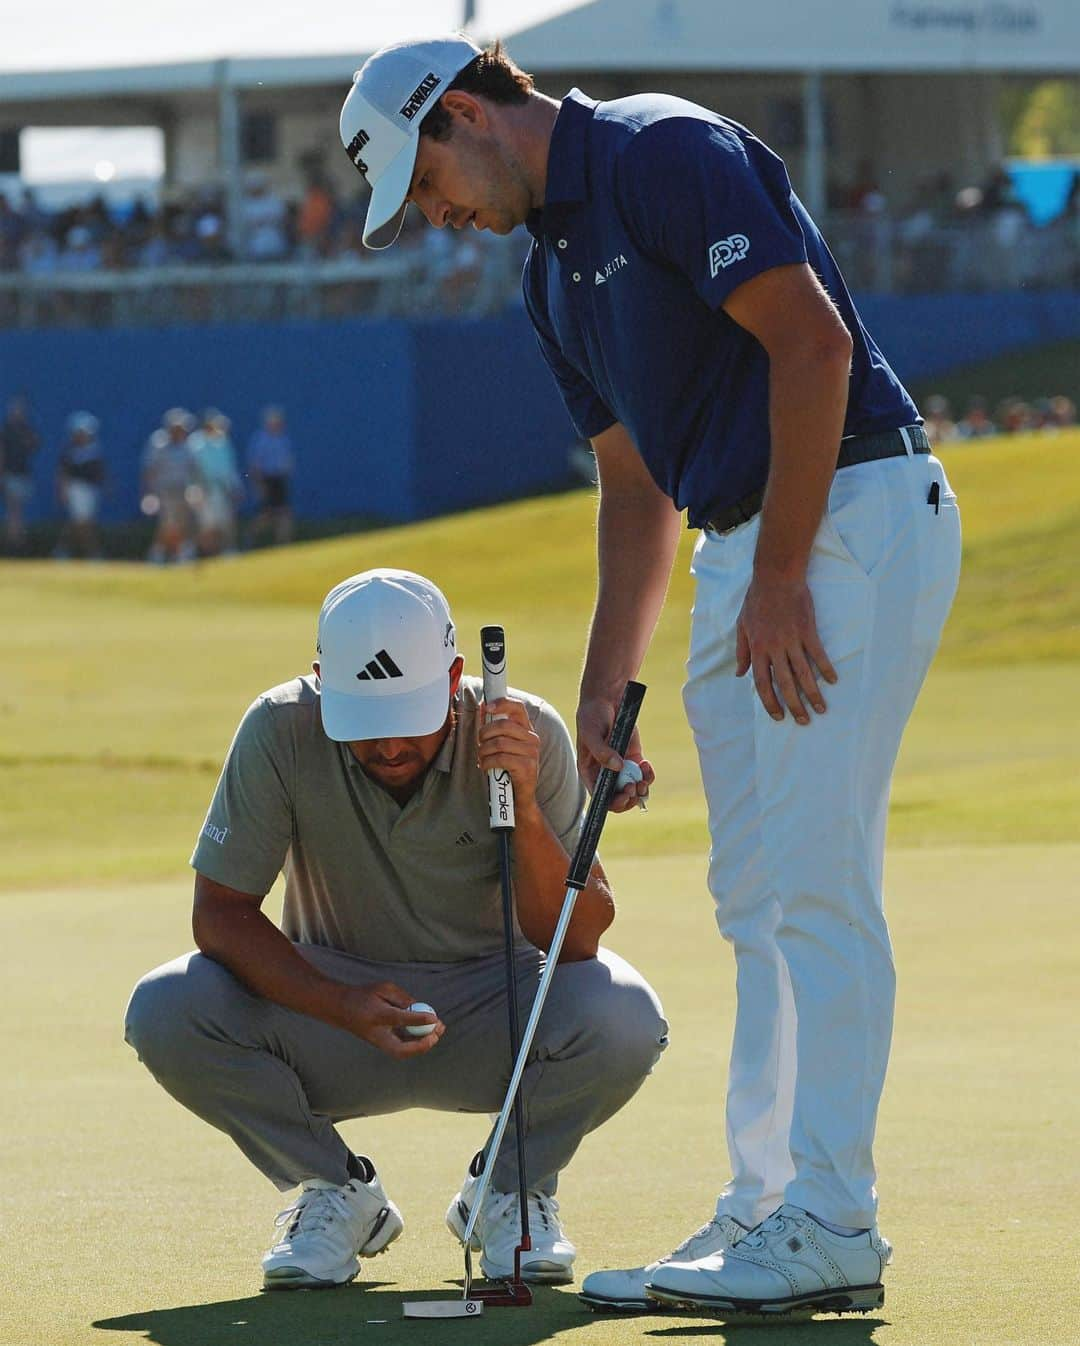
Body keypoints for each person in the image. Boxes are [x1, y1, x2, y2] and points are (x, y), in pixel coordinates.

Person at [339, 39, 962, 1316]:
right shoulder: (547, 277)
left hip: (846, 513)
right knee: (751, 895)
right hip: (751, 540)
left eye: (430, 184)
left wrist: (785, 567)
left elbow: (814, 346)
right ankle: (768, 1201)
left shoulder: (663, 149)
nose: (438, 217)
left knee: (814, 881)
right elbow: (636, 490)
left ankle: (834, 1215)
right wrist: (603, 699)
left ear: (465, 111)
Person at [124, 568, 667, 1292]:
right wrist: (338, 1003)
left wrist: (527, 807)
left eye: (407, 715)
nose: (386, 745)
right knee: (165, 1007)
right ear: (322, 680)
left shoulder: (526, 729)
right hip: (334, 1013)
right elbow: (218, 914)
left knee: (626, 1014)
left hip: (497, 1008)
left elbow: (578, 937)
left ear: (454, 677)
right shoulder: (279, 728)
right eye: (363, 720)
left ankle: (508, 1193)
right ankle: (334, 1192)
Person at [141, 408, 198, 564]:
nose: (181, 431)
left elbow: (193, 470)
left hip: (183, 490)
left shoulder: (188, 446)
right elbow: (150, 470)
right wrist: (149, 493)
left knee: (183, 523)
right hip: (164, 490)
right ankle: (158, 554)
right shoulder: (158, 443)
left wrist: (195, 489)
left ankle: (180, 554)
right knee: (168, 524)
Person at [188, 408, 242, 556]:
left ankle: (227, 551)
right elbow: (192, 470)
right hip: (203, 490)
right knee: (206, 526)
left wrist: (236, 488)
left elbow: (229, 469)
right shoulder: (196, 443)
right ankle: (199, 553)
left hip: (222, 490)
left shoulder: (224, 443)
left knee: (226, 523)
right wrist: (195, 491)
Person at [55, 411, 105, 560]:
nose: (83, 435)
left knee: (80, 523)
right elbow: (62, 474)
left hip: (90, 491)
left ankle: (62, 550)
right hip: (75, 489)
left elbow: (101, 474)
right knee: (82, 523)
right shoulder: (69, 452)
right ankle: (93, 553)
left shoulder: (95, 450)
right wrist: (63, 491)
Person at [246, 405, 295, 546]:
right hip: (266, 480)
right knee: (265, 515)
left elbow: (288, 460)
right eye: (274, 421)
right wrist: (258, 485)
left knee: (285, 513)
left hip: (280, 480)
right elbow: (254, 465)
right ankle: (249, 539)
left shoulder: (283, 439)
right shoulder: (261, 440)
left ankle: (283, 544)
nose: (277, 424)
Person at [1, 394, 41, 551]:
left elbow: (35, 445)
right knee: (14, 512)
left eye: (20, 409)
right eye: (15, 409)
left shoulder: (26, 429)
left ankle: (16, 543)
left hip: (22, 475)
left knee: (17, 512)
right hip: (10, 475)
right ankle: (14, 544)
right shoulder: (5, 430)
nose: (17, 412)